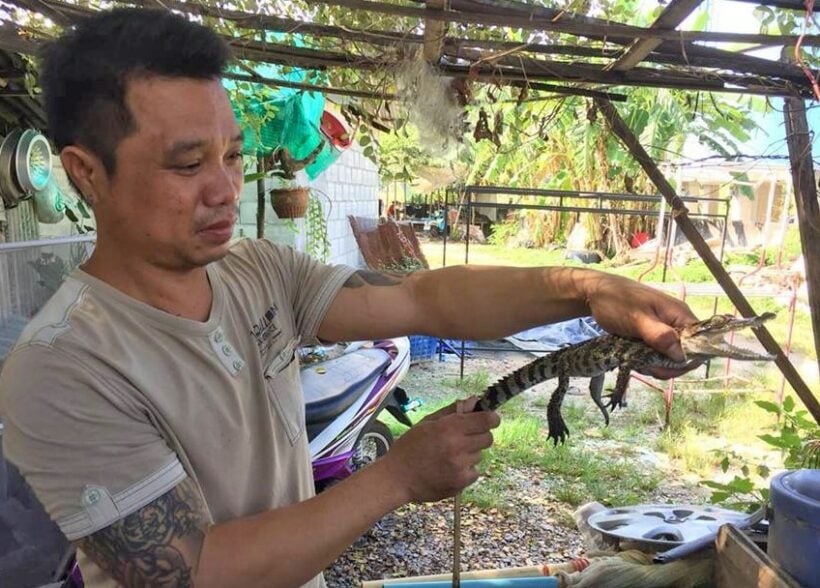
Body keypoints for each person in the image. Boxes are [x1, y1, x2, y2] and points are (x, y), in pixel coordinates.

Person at [0, 9, 698, 588]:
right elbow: (193, 572)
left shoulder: (257, 270)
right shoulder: (63, 367)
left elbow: (426, 297)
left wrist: (587, 288)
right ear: (86, 174)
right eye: (188, 164)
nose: (224, 188)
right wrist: (394, 477)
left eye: (233, 156)